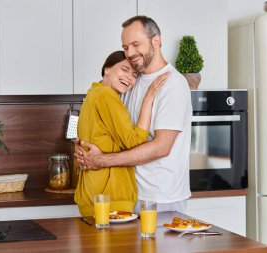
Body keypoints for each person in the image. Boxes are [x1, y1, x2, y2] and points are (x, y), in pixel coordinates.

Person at [75, 16, 192, 213]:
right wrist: (83, 149)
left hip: (160, 198)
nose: (129, 53)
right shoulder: (130, 82)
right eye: (125, 46)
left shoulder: (173, 84)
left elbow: (161, 148)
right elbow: (113, 131)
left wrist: (101, 160)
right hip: (127, 195)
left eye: (135, 44)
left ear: (156, 41)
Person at [74, 50, 168, 217]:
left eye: (134, 74)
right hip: (110, 198)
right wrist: (149, 98)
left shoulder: (92, 94)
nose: (129, 78)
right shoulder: (106, 95)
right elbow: (135, 142)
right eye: (124, 69)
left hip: (92, 195)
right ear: (107, 69)